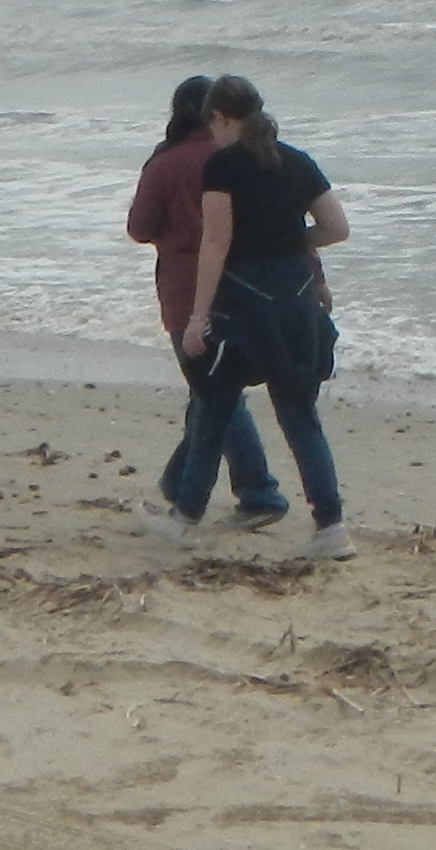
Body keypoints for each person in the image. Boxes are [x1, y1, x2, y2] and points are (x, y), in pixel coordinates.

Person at [139, 77, 352, 560]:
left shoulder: (223, 166)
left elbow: (216, 243)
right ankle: (331, 527)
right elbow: (337, 228)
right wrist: (297, 243)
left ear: (219, 118)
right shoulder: (296, 160)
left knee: (215, 405)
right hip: (295, 301)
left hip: (242, 305)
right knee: (300, 416)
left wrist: (197, 318)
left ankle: (186, 519)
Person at [128, 76, 287, 526]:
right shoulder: (254, 157)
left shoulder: (167, 164)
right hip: (249, 289)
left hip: (185, 293)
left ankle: (258, 492)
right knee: (215, 393)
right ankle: (182, 483)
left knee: (215, 394)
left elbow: (139, 227)